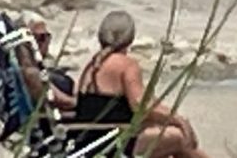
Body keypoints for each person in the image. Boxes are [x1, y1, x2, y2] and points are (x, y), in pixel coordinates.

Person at [73, 11, 210, 158]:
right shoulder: (126, 65)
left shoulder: (92, 65)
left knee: (167, 140)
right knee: (178, 137)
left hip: (90, 141)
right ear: (130, 38)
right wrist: (179, 120)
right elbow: (139, 106)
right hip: (116, 143)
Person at [22, 12, 75, 114]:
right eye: (41, 38)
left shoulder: (36, 68)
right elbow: (55, 98)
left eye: (47, 36)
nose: (46, 42)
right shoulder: (28, 71)